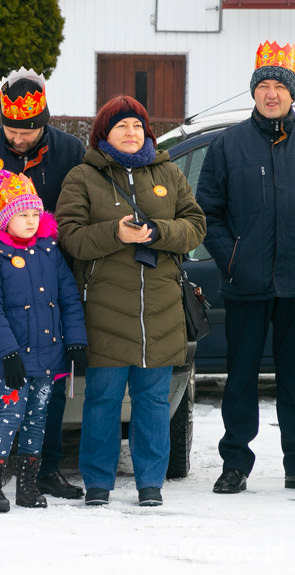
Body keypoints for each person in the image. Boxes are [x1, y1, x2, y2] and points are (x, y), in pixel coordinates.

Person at [55, 95, 206, 506]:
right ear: (104, 132)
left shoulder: (169, 172)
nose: (131, 132)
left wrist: (157, 231)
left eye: (137, 125)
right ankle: (99, 482)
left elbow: (195, 226)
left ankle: (150, 483)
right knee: (102, 400)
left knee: (154, 402)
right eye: (122, 125)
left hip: (160, 309)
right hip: (104, 308)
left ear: (147, 132)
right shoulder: (82, 177)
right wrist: (114, 235)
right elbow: (68, 235)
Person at [0, 68, 86, 499]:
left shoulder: (69, 151)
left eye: (28, 131)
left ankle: (44, 470)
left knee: (49, 384)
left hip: (48, 289)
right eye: (11, 129)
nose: (18, 138)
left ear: (44, 121)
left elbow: (79, 215)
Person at [196, 40, 295, 494]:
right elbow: (206, 212)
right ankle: (235, 462)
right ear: (253, 92)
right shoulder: (227, 145)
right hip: (246, 284)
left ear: (292, 94)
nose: (271, 93)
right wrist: (230, 259)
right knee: (239, 380)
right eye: (264, 86)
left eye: (279, 85)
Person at [0, 169, 87, 513]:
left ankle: (28, 486)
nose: (32, 221)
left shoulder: (49, 250)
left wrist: (75, 341)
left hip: (49, 356)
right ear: (5, 219)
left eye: (36, 214)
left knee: (38, 417)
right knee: (10, 415)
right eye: (22, 215)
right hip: (15, 359)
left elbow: (69, 299)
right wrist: (8, 353)